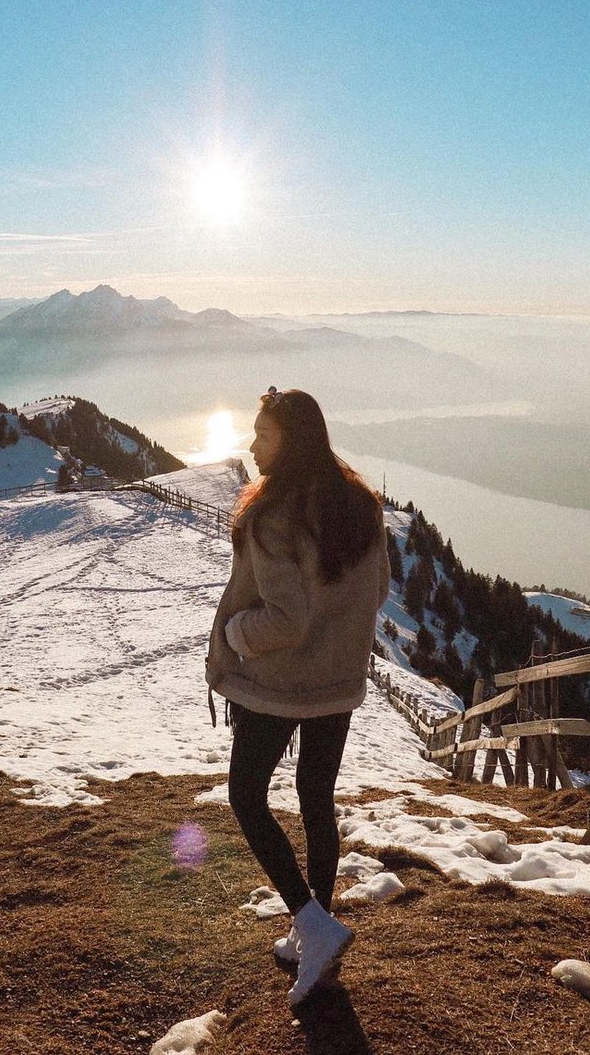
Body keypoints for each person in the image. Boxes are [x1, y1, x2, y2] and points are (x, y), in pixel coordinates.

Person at [206, 387, 391, 1006]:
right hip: (336, 683)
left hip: (277, 684)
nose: (252, 446)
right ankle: (314, 926)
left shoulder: (273, 512)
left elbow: (284, 618)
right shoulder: (359, 504)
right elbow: (375, 592)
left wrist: (235, 635)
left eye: (262, 435)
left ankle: (313, 925)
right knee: (316, 798)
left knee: (247, 797)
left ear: (293, 440)